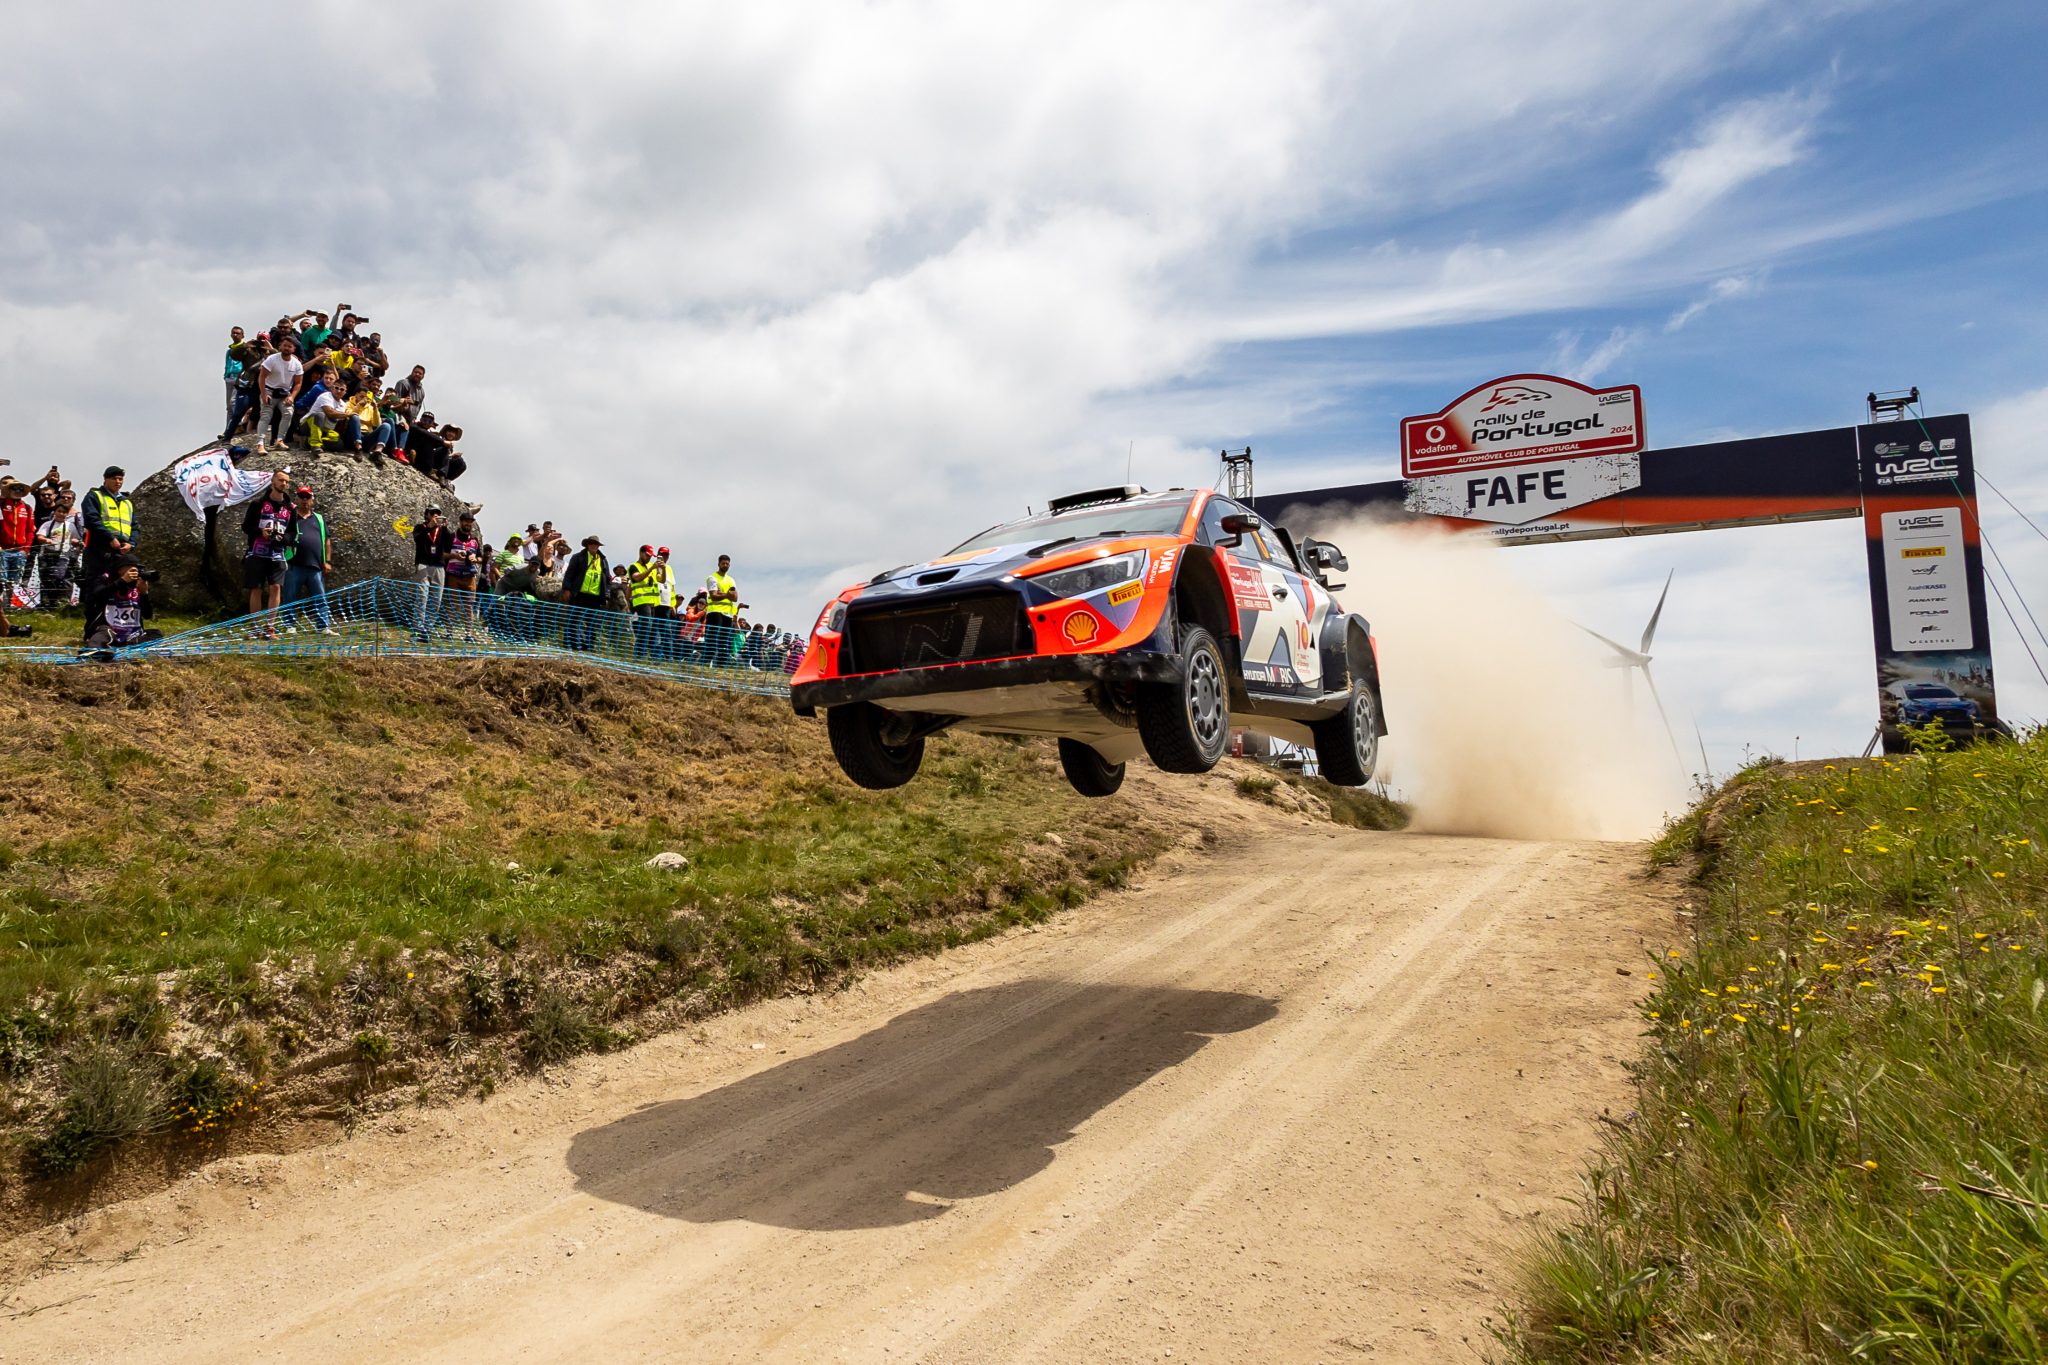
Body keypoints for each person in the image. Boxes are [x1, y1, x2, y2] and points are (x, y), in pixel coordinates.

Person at [79, 465, 134, 641]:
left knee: (121, 588)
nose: (118, 482)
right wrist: (109, 538)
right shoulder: (94, 496)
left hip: (121, 550)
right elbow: (92, 520)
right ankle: (92, 631)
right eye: (114, 478)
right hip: (99, 549)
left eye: (120, 479)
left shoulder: (127, 502)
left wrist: (132, 543)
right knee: (96, 590)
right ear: (105, 479)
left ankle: (120, 630)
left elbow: (135, 525)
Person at [241, 470, 297, 633]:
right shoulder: (257, 504)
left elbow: (293, 533)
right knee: (256, 588)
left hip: (278, 554)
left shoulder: (291, 508)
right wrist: (261, 532)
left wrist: (283, 538)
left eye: (286, 481)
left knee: (276, 588)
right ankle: (255, 628)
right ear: (272, 481)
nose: (284, 484)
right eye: (280, 480)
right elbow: (246, 526)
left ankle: (270, 627)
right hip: (257, 552)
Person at [80, 555, 161, 657]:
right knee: (104, 633)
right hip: (109, 628)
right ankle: (95, 649)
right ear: (119, 570)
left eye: (136, 568)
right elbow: (98, 595)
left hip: (131, 632)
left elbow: (147, 615)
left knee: (156, 633)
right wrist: (122, 581)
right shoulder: (106, 580)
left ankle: (127, 644)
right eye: (130, 567)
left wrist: (144, 594)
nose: (134, 571)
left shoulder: (137, 585)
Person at [281, 485, 336, 634]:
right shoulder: (290, 517)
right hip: (293, 564)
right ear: (296, 499)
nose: (304, 500)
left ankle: (323, 626)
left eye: (307, 497)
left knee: (320, 597)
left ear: (312, 499)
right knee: (289, 596)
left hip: (315, 566)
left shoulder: (319, 518)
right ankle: (289, 625)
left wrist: (327, 561)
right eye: (301, 497)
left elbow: (327, 540)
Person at [35, 490, 83, 611]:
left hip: (63, 555)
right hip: (46, 555)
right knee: (46, 579)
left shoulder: (70, 526)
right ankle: (46, 604)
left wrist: (76, 542)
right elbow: (39, 536)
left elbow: (76, 538)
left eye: (64, 512)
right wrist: (47, 540)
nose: (61, 514)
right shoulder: (47, 524)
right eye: (59, 511)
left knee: (58, 576)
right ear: (54, 512)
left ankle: (58, 602)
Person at [254, 337, 304, 453]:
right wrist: (263, 393)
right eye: (284, 345)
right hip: (269, 390)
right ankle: (260, 443)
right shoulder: (272, 359)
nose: (286, 348)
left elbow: (298, 383)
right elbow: (262, 377)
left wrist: (292, 397)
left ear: (294, 349)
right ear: (280, 346)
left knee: (288, 413)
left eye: (289, 346)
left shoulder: (296, 364)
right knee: (266, 415)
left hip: (285, 393)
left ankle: (279, 440)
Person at [560, 535, 608, 651]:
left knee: (592, 623)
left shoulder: (603, 560)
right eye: (591, 543)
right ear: (587, 545)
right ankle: (570, 645)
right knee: (573, 620)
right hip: (579, 594)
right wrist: (567, 589)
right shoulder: (578, 557)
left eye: (595, 544)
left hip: (595, 597)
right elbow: (569, 574)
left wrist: (606, 596)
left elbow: (607, 578)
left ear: (598, 546)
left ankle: (589, 647)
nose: (593, 546)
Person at [411, 505, 452, 638]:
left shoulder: (442, 530)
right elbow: (417, 539)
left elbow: (449, 545)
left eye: (438, 513)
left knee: (436, 600)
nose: (435, 515)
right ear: (427, 514)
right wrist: (429, 527)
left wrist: (445, 528)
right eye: (432, 513)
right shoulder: (420, 527)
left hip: (438, 566)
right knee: (422, 597)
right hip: (423, 564)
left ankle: (428, 628)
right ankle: (418, 628)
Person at [0, 480, 34, 637]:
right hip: (3, 550)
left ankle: (9, 607)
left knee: (13, 582)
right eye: (14, 488)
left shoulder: (27, 507)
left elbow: (30, 530)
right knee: (1, 580)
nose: (17, 491)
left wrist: (26, 549)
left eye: (20, 489)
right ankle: (4, 616)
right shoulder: (1, 504)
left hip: (20, 551)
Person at [444, 511, 485, 625]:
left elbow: (481, 558)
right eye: (466, 521)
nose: (468, 524)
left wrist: (475, 559)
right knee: (453, 605)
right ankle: (449, 632)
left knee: (469, 606)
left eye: (470, 522)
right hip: (453, 576)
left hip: (470, 577)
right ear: (460, 522)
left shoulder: (474, 540)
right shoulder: (452, 537)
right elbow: (442, 554)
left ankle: (468, 633)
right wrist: (455, 556)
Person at [703, 553, 740, 664]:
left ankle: (721, 664)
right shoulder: (712, 578)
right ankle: (705, 662)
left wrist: (722, 594)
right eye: (723, 563)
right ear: (718, 564)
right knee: (712, 639)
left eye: (727, 564)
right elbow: (714, 596)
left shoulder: (731, 580)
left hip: (727, 614)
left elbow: (735, 598)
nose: (725, 566)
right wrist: (727, 595)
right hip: (715, 612)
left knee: (724, 641)